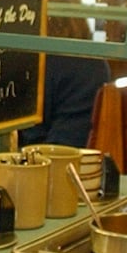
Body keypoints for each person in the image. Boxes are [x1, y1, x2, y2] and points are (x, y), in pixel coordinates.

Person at [18, 9, 110, 149]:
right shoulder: (93, 62)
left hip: (54, 160)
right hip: (61, 156)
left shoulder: (72, 66)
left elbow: (61, 148)